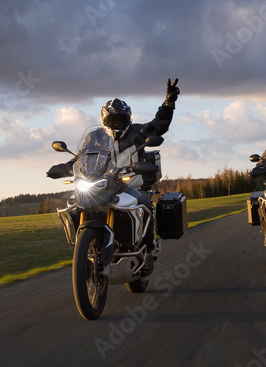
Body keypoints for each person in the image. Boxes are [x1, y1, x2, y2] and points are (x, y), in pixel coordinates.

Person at [47, 79, 180, 264]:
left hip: (131, 187)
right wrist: (65, 167)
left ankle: (148, 251)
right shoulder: (94, 137)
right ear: (104, 120)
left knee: (144, 204)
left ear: (128, 120)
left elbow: (159, 125)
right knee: (75, 205)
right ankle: (86, 248)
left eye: (120, 119)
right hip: (102, 186)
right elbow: (81, 157)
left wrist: (168, 104)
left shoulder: (138, 132)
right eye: (112, 120)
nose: (116, 123)